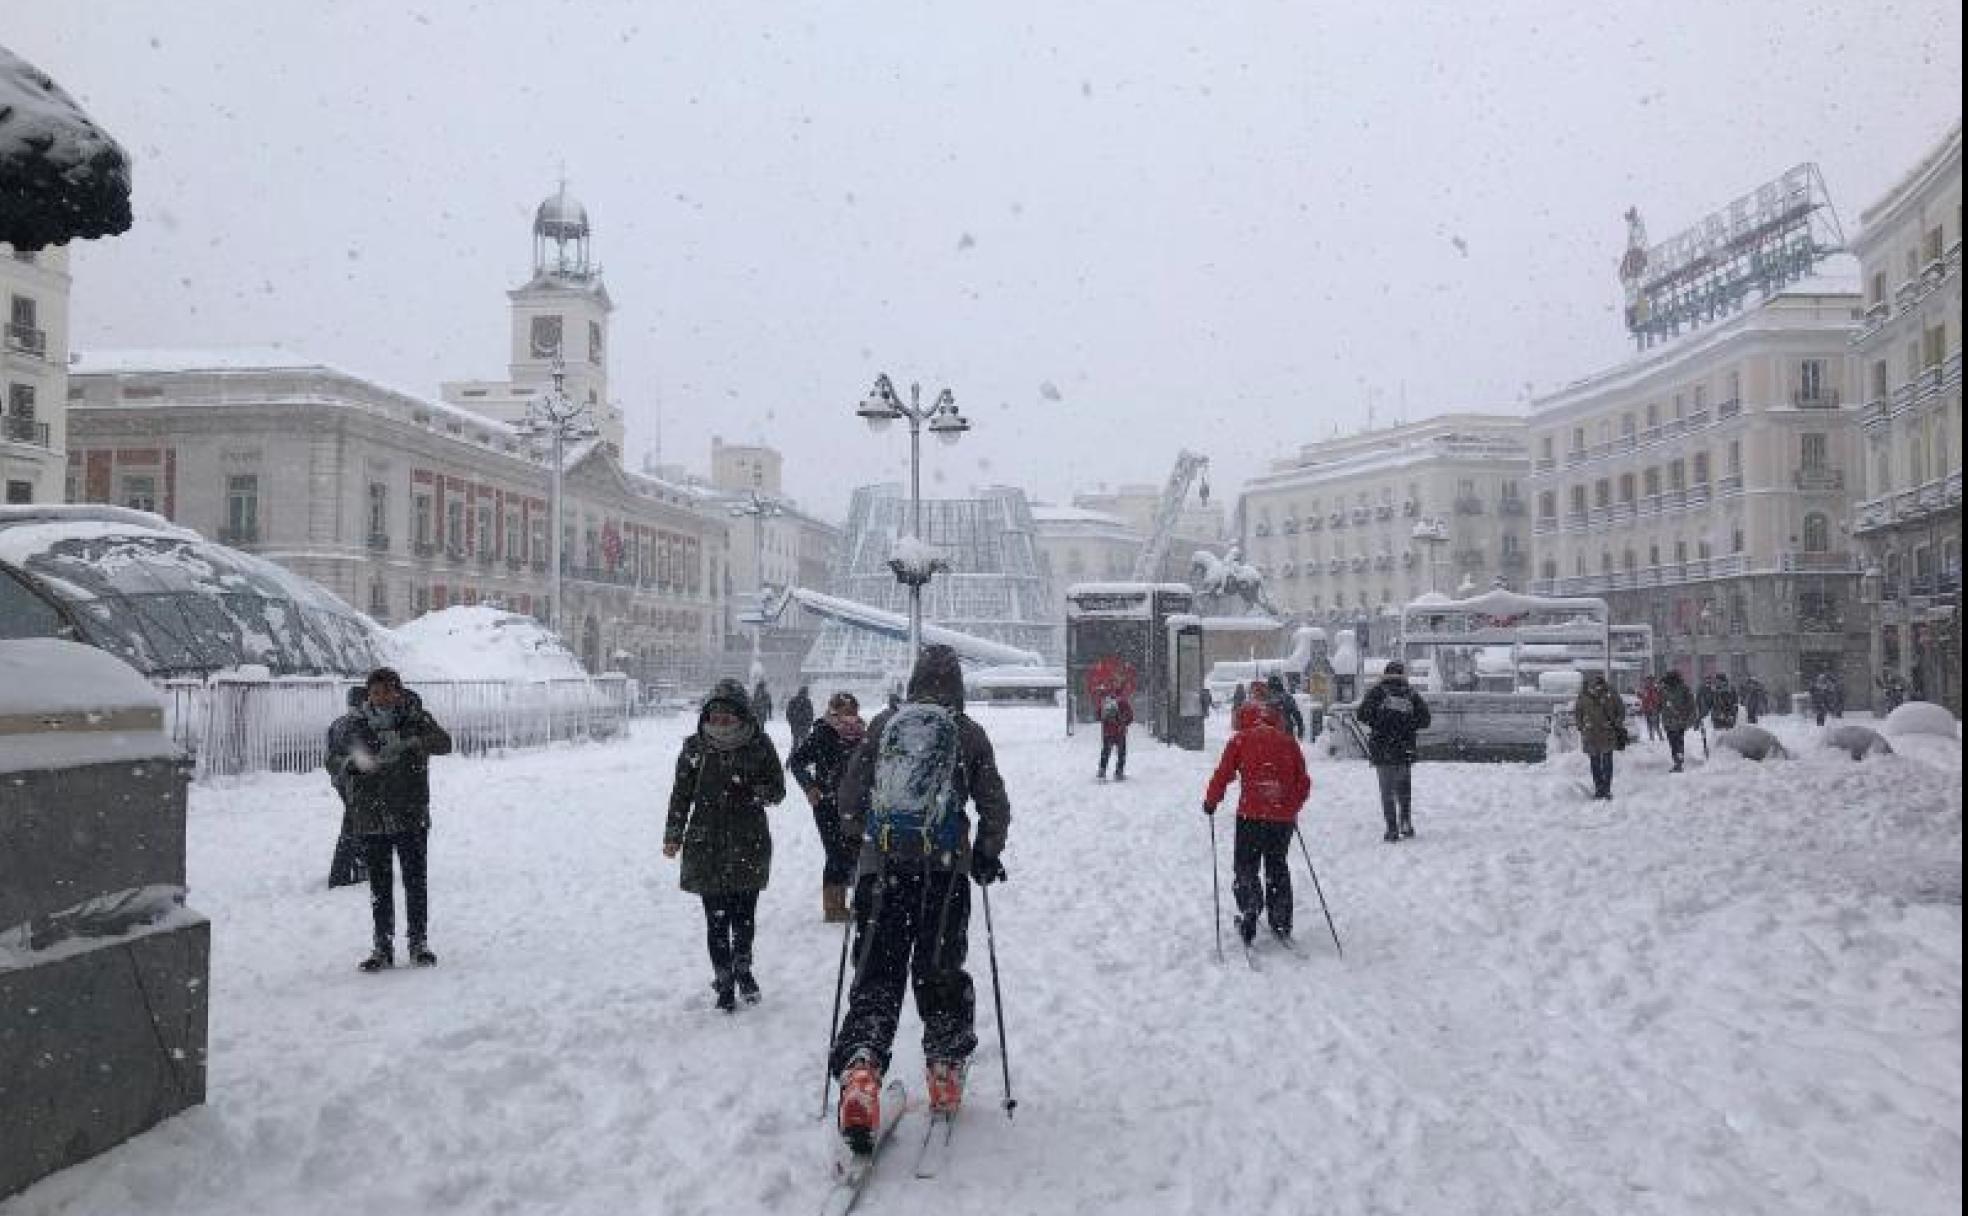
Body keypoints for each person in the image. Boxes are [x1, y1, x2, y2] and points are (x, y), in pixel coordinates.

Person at [829, 645, 1011, 1150]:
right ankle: (945, 1068)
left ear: (913, 682)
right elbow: (994, 804)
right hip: (944, 875)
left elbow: (850, 797)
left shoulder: (884, 726)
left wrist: (856, 842)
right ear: (957, 686)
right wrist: (986, 853)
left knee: (876, 976)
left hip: (882, 871)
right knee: (939, 970)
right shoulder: (967, 734)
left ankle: (861, 1070)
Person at [664, 679, 787, 1012]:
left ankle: (743, 969)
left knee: (744, 917)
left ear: (741, 715)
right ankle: (724, 980)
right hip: (706, 845)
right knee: (716, 920)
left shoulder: (759, 745)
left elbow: (777, 790)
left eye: (726, 716)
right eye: (713, 715)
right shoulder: (695, 748)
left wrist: (752, 791)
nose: (719, 722)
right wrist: (673, 834)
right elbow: (681, 795)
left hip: (748, 843)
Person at [329, 668, 453, 972]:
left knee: (415, 882)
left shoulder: (415, 718)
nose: (382, 696)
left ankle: (418, 943)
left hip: (410, 814)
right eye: (376, 691)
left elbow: (444, 743)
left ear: (399, 692)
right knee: (380, 887)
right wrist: (350, 764)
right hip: (371, 817)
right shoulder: (354, 724)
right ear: (368, 694)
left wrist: (413, 742)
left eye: (388, 690)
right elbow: (332, 759)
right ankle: (382, 947)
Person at [1202, 699, 1311, 948]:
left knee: (1246, 865)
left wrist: (1211, 801)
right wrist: (1291, 807)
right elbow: (1303, 782)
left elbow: (1223, 774)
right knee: (1277, 865)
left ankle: (1250, 907)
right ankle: (1280, 919)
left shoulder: (1241, 740)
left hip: (1250, 816)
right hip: (1281, 820)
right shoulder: (1288, 742)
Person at [787, 691, 866, 923]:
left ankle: (852, 899)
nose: (850, 716)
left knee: (854, 849)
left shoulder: (863, 734)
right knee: (835, 851)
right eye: (845, 711)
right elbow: (797, 761)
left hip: (855, 803)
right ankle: (833, 907)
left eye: (853, 711)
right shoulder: (822, 733)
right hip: (827, 803)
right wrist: (809, 786)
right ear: (834, 711)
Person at [1355, 660, 1431, 842]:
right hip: (1404, 748)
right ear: (1403, 674)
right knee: (1404, 789)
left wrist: (1380, 721)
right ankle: (1405, 823)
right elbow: (1425, 720)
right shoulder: (1411, 694)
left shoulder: (1377, 692)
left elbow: (1361, 714)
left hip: (1382, 748)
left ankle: (1392, 829)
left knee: (1387, 792)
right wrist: (1407, 722)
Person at [323, 685, 371, 889]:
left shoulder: (338, 723)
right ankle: (344, 873)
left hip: (341, 781)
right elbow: (365, 759)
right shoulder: (360, 725)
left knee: (355, 824)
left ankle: (354, 868)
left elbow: (329, 757)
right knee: (354, 826)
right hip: (357, 783)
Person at [1574, 672, 1628, 800]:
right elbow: (1578, 713)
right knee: (1596, 762)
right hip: (1592, 733)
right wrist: (1582, 727)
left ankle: (1605, 789)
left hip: (1606, 732)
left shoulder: (1610, 693)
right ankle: (1600, 788)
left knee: (1605, 762)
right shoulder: (1584, 695)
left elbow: (1621, 711)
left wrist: (1615, 723)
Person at [1659, 669, 1698, 772]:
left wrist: (1690, 717)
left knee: (1675, 742)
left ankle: (1678, 762)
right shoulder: (1667, 689)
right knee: (1676, 741)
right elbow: (1661, 703)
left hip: (1675, 721)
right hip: (1674, 721)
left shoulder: (1679, 689)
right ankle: (1678, 760)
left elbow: (1691, 704)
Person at [1096, 688, 1134, 781]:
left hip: (1107, 731)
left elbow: (1098, 715)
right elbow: (1130, 717)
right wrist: (1124, 723)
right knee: (1121, 753)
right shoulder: (1124, 702)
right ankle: (1119, 772)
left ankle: (1102, 770)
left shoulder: (1106, 702)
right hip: (1120, 732)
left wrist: (1106, 722)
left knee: (1106, 751)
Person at [1266, 674, 1305, 740]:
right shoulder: (1286, 697)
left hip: (1272, 731)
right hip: (1285, 730)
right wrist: (1300, 729)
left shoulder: (1267, 698)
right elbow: (1297, 714)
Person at [785, 685, 816, 750]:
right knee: (803, 742)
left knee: (796, 742)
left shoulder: (794, 701)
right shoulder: (807, 702)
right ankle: (802, 753)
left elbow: (788, 712)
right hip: (802, 725)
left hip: (798, 725)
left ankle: (795, 754)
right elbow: (811, 714)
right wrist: (809, 723)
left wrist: (791, 722)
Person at [1638, 675, 1665, 742]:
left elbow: (1655, 699)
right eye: (1646, 681)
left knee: (1655, 724)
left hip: (1653, 709)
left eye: (1648, 681)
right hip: (1648, 709)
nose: (1647, 682)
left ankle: (1659, 737)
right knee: (1650, 723)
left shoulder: (1653, 689)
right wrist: (1639, 695)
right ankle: (1652, 737)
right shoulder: (1646, 689)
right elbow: (1644, 698)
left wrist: (1653, 705)